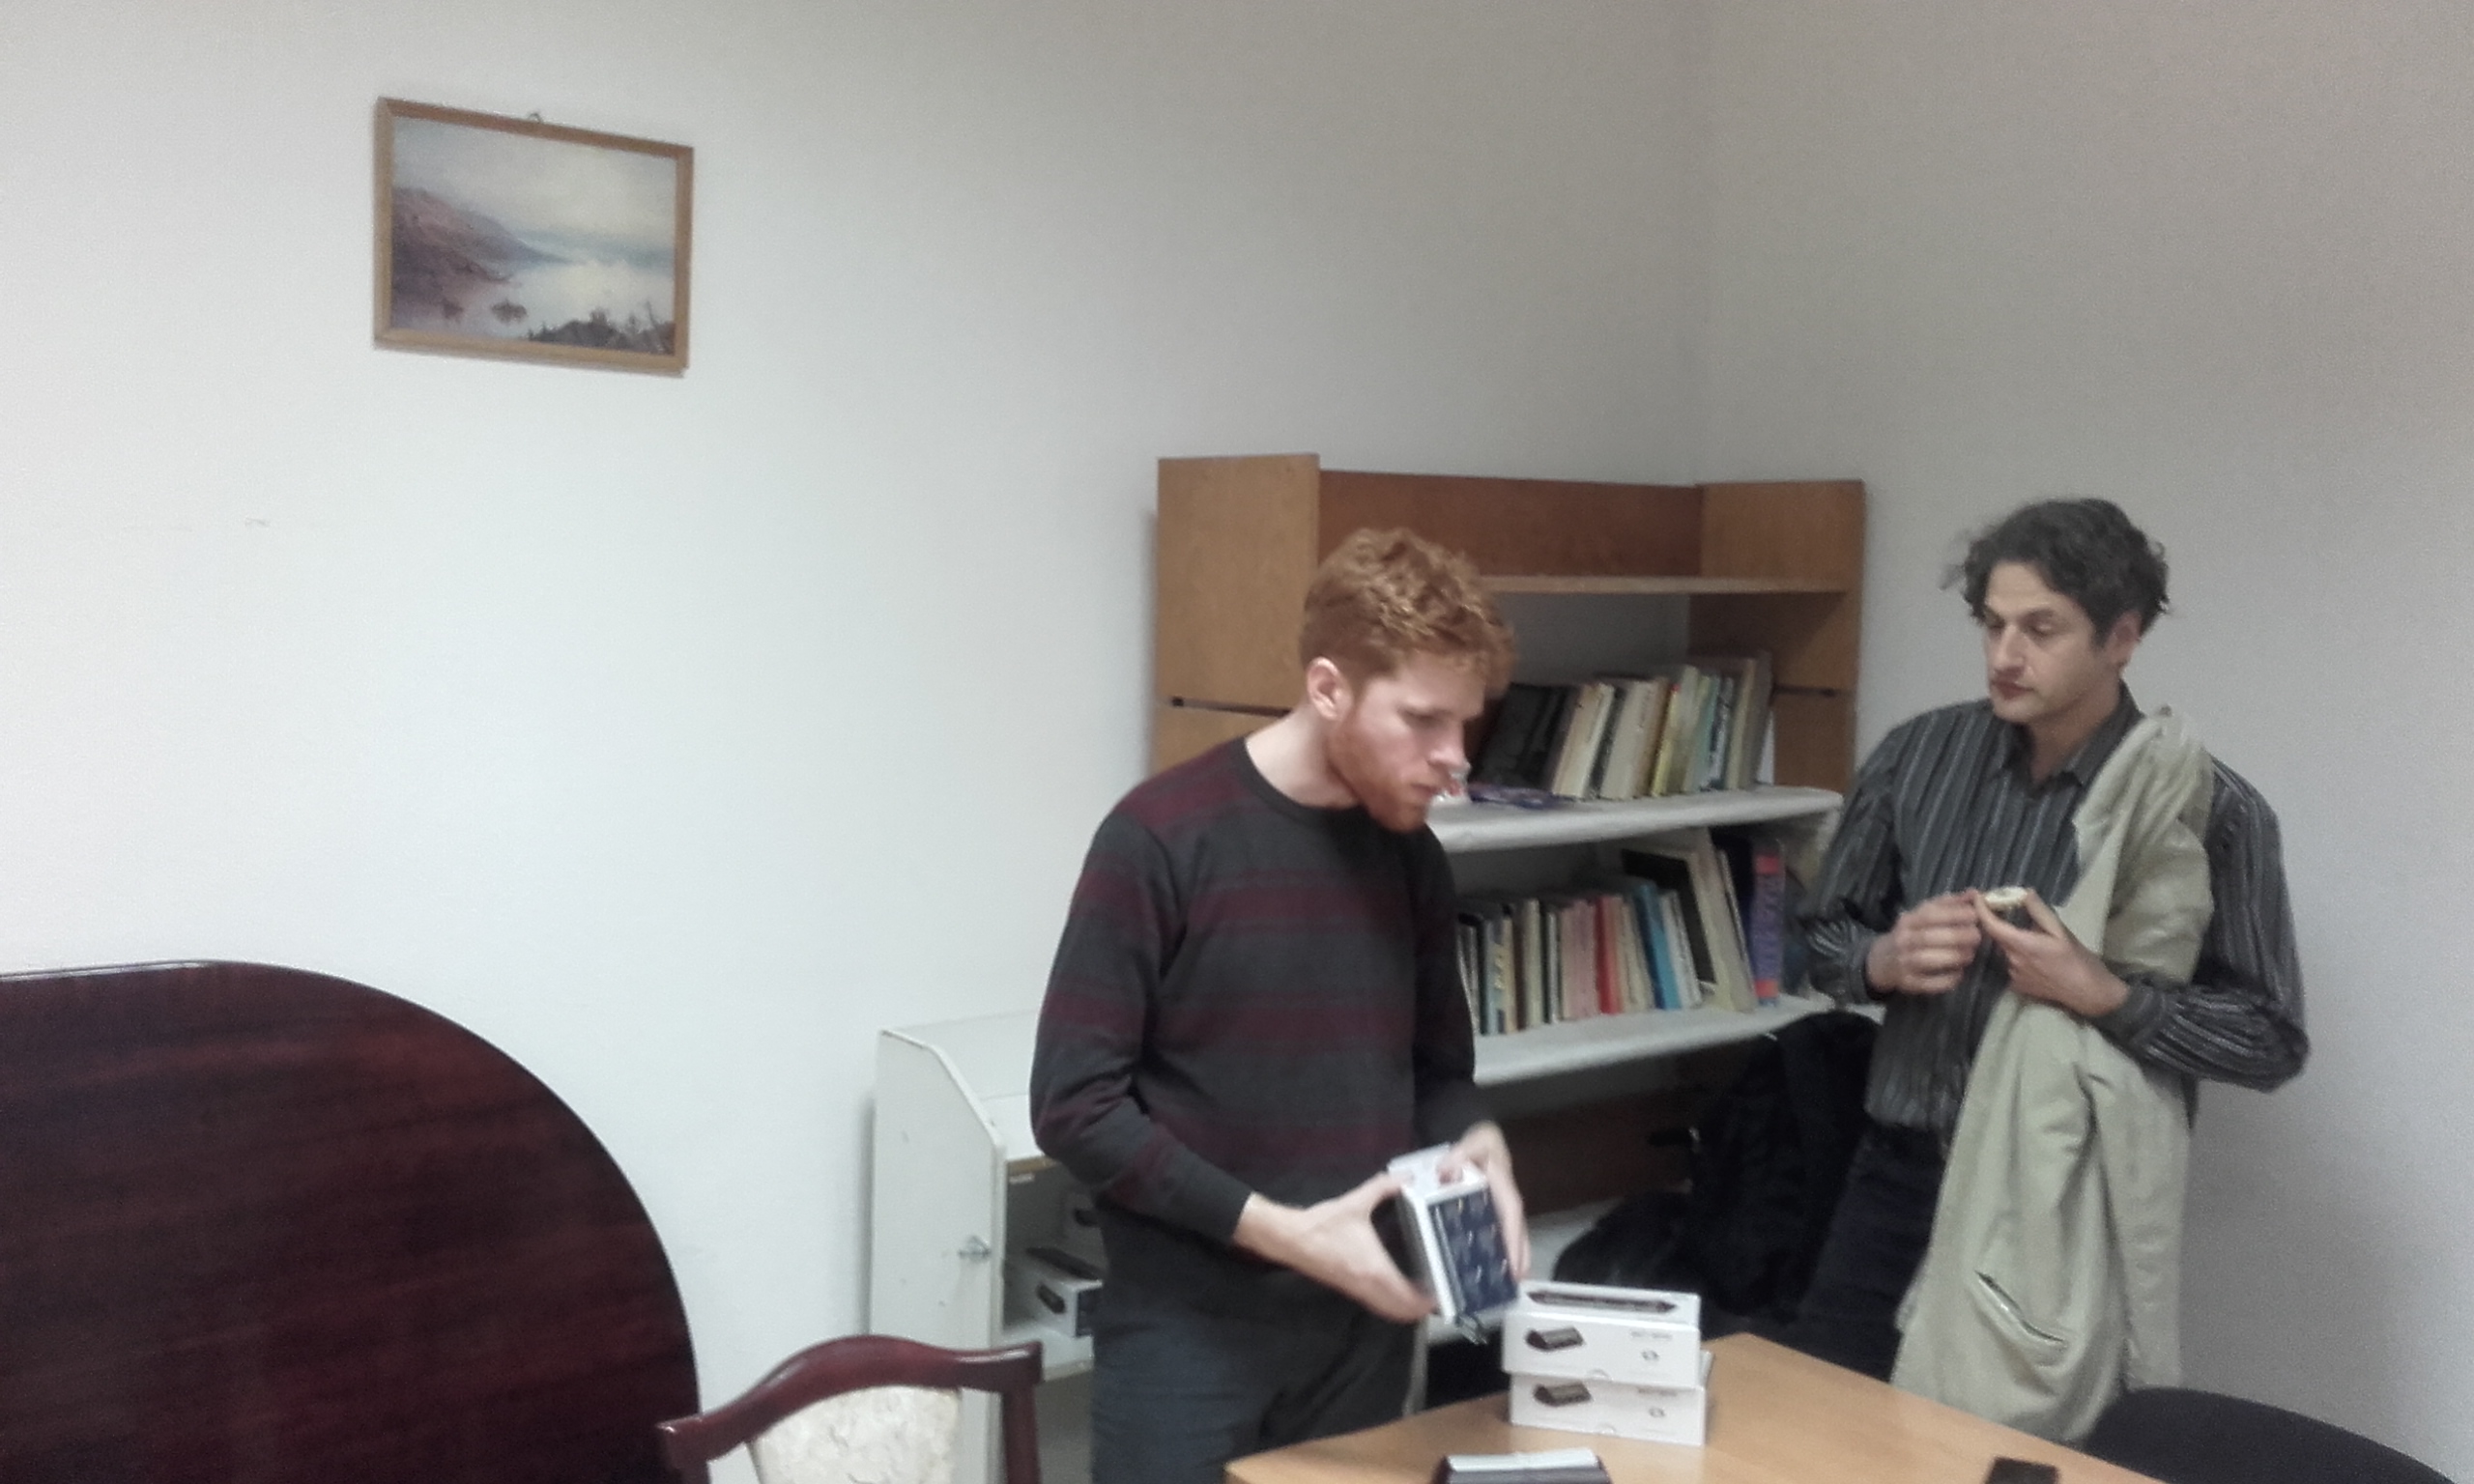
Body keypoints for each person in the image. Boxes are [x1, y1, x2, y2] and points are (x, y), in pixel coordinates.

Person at [1028, 527, 1531, 1484]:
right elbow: (1074, 1106)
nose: (1453, 758)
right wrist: (1285, 1233)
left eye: (1466, 725)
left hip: (1363, 1332)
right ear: (1328, 687)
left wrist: (1481, 1145)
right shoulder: (1160, 839)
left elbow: (1437, 1073)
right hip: (1187, 1340)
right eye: (1422, 721)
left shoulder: (1411, 856)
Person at [1778, 497, 2308, 1380]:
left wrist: (2105, 995)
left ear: (2122, 637)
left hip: (2058, 1199)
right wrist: (1882, 959)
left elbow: (2270, 1038)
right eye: (1992, 625)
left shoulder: (2206, 807)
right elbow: (1820, 937)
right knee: (1825, 1416)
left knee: (2012, 1448)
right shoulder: (1918, 756)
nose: (2004, 655)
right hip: (1897, 1171)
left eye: (2041, 629)